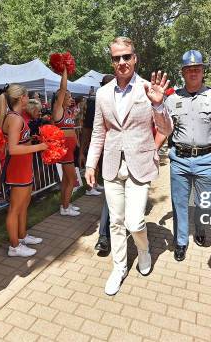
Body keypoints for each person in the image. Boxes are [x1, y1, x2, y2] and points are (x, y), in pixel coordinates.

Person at [85, 37, 173, 295]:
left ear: (134, 58)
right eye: (116, 58)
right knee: (116, 222)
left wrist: (158, 104)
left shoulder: (148, 88)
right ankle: (119, 267)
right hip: (112, 165)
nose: (121, 62)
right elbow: (99, 133)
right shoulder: (102, 93)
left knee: (134, 222)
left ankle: (144, 251)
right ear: (111, 61)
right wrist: (91, 164)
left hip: (140, 164)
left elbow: (166, 129)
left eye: (126, 57)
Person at [164, 50, 211, 261]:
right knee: (179, 203)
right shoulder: (172, 99)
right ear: (183, 72)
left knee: (206, 203)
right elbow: (165, 129)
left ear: (203, 71)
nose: (193, 72)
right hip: (179, 159)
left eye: (197, 69)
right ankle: (181, 241)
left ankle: (200, 226)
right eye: (189, 69)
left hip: (207, 159)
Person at [0, 84, 48, 257]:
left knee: (24, 204)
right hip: (16, 168)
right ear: (21, 98)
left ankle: (22, 236)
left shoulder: (16, 116)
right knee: (15, 208)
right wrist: (40, 146)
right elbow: (13, 149)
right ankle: (14, 246)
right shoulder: (15, 118)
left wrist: (31, 140)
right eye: (27, 96)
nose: (29, 99)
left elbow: (19, 142)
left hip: (23, 166)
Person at [79, 75, 116, 253]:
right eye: (105, 84)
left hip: (126, 156)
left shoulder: (126, 97)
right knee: (109, 195)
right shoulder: (95, 102)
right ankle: (104, 235)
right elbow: (88, 129)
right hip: (103, 153)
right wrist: (84, 154)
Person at [51, 70, 81, 217]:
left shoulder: (68, 112)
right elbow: (62, 89)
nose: (70, 98)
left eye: (71, 96)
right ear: (60, 98)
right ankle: (66, 208)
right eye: (67, 96)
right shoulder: (58, 110)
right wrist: (64, 71)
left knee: (65, 180)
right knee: (72, 179)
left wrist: (76, 143)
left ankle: (65, 205)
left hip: (70, 149)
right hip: (64, 150)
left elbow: (71, 130)